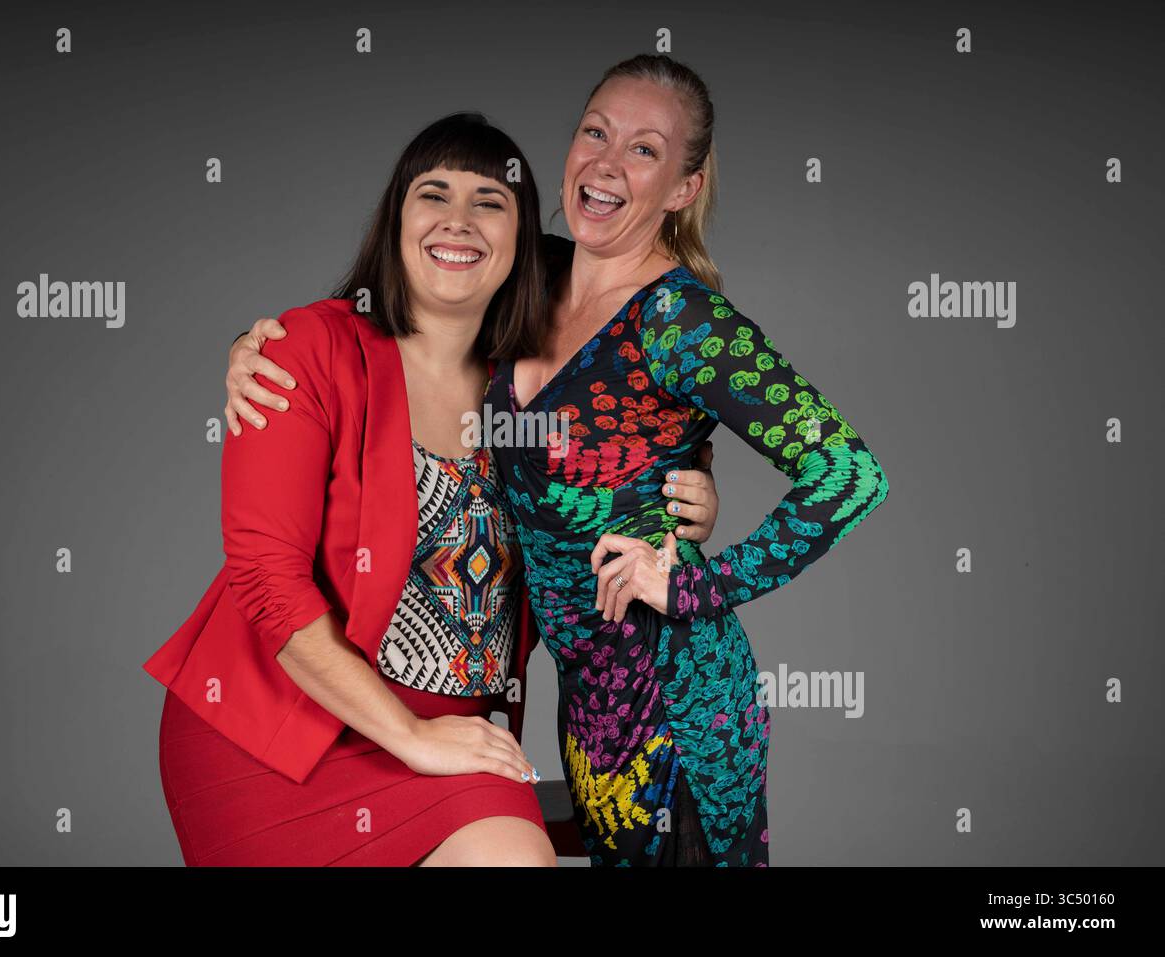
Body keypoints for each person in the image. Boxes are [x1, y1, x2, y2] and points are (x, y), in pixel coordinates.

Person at [227, 55, 891, 867]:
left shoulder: (682, 319)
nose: (608, 164)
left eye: (645, 150)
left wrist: (694, 582)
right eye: (596, 133)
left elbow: (851, 473)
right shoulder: (532, 274)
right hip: (584, 698)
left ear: (683, 187)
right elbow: (405, 293)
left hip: (678, 697)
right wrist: (259, 348)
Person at [145, 111, 722, 867]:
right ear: (396, 220)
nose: (458, 221)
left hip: (462, 735)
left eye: (490, 201)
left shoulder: (537, 382)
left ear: (523, 243)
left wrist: (694, 485)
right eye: (433, 194)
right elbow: (265, 580)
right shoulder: (308, 351)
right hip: (277, 733)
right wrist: (410, 735)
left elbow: (655, 387)